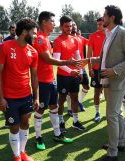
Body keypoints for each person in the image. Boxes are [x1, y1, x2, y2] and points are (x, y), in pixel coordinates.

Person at [95, 5, 125, 161]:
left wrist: (114, 70)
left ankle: (112, 153)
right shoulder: (109, 33)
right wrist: (96, 60)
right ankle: (119, 142)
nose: (102, 18)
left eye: (104, 15)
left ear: (112, 17)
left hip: (118, 79)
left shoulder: (123, 32)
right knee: (117, 113)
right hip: (109, 79)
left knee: (112, 115)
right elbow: (108, 55)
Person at [0, 18, 39, 161]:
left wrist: (36, 97)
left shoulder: (33, 51)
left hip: (26, 95)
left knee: (25, 123)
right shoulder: (5, 46)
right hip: (10, 97)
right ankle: (16, 156)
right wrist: (0, 98)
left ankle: (22, 152)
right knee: (14, 127)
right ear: (25, 32)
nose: (35, 36)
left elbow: (34, 76)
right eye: (33, 33)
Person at [32, 11, 77, 150]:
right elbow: (48, 59)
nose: (54, 24)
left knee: (54, 107)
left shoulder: (45, 38)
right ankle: (38, 137)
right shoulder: (40, 39)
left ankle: (57, 134)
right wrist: (67, 62)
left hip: (51, 80)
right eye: (52, 21)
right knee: (40, 110)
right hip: (43, 81)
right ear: (44, 22)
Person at [53, 15, 86, 132]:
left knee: (75, 98)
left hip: (75, 75)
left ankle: (75, 121)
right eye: (66, 26)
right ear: (61, 26)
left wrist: (80, 71)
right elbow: (57, 61)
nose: (69, 28)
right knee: (61, 99)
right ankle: (61, 121)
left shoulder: (75, 39)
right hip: (63, 75)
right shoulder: (58, 41)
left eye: (71, 26)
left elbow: (78, 56)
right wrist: (70, 71)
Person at [66, 21, 89, 114]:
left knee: (86, 86)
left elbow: (92, 43)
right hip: (71, 67)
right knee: (69, 91)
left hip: (81, 67)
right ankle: (69, 109)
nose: (73, 27)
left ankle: (79, 102)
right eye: (71, 25)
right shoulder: (67, 39)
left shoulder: (81, 38)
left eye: (74, 24)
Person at [87, 17, 106, 122]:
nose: (98, 26)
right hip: (96, 69)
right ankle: (97, 112)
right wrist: (90, 68)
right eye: (97, 24)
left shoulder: (110, 35)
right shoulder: (93, 36)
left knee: (110, 92)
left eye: (101, 24)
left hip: (108, 69)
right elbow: (89, 54)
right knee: (96, 92)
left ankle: (112, 112)